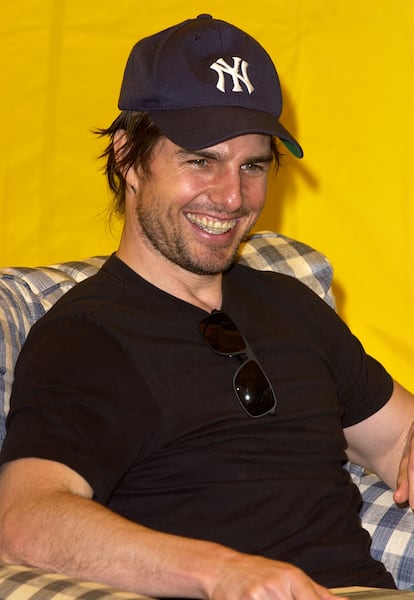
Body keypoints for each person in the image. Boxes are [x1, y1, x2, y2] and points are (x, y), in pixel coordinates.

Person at [0, 13, 412, 600]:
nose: (232, 196)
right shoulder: (87, 335)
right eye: (201, 160)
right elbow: (24, 521)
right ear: (127, 158)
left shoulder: (291, 304)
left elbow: (398, 440)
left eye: (253, 164)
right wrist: (222, 573)